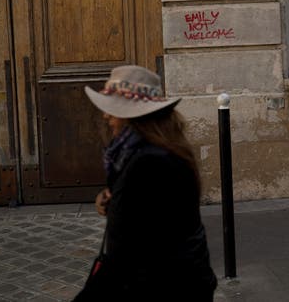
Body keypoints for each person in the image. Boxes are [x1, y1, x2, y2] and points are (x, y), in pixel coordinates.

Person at [74, 65, 217, 301]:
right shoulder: (161, 150)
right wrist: (112, 198)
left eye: (113, 109)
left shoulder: (148, 161)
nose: (106, 115)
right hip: (182, 280)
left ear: (136, 117)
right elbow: (154, 215)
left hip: (161, 286)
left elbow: (125, 255)